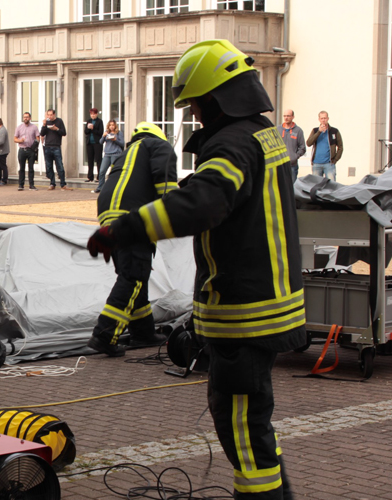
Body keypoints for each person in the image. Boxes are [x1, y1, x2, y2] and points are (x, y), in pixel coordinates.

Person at [87, 39, 303, 500]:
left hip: (245, 313)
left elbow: (204, 202)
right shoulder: (265, 136)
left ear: (218, 97)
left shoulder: (232, 144)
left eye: (199, 105)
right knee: (253, 426)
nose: (197, 116)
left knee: (243, 431)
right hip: (271, 303)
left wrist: (124, 230)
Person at [86, 122, 177, 356]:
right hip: (133, 217)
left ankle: (143, 331)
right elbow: (167, 190)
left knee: (136, 276)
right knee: (133, 276)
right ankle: (105, 334)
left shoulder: (128, 153)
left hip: (109, 216)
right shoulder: (159, 146)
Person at [306, 111, 343, 181]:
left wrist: (335, 160)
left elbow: (340, 147)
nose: (323, 120)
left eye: (325, 118)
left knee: (331, 186)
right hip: (316, 164)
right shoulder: (315, 130)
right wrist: (319, 132)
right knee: (316, 185)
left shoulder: (334, 131)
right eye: (322, 118)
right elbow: (308, 143)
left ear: (328, 118)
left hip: (329, 164)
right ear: (319, 119)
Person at [40, 109, 69, 190]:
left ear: (54, 114)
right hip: (47, 146)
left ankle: (63, 184)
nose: (49, 116)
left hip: (56, 146)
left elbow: (64, 133)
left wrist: (56, 129)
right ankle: (52, 183)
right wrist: (44, 125)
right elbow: (42, 133)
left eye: (51, 115)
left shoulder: (59, 121)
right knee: (49, 166)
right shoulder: (47, 122)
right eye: (48, 115)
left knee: (59, 165)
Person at [94, 119, 125, 194]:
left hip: (116, 154)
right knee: (101, 171)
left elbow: (122, 144)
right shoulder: (106, 132)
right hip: (107, 154)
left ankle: (113, 188)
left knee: (113, 172)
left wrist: (115, 140)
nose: (111, 127)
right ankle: (100, 187)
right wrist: (103, 136)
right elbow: (100, 142)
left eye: (113, 125)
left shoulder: (119, 133)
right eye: (110, 125)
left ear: (115, 126)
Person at [14, 111, 40, 191]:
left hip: (31, 150)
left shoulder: (34, 127)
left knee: (31, 168)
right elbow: (15, 139)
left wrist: (35, 145)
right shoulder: (19, 127)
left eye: (27, 117)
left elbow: (38, 137)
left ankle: (31, 185)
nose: (26, 118)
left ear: (30, 118)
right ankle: (21, 185)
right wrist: (20, 140)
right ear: (23, 118)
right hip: (22, 149)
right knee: (22, 168)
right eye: (24, 117)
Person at [279, 110, 306, 183]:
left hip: (292, 165)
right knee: (280, 187)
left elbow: (302, 147)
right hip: (280, 165)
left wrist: (295, 157)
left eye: (288, 116)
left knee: (292, 187)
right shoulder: (278, 130)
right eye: (284, 116)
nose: (286, 118)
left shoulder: (298, 130)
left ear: (293, 117)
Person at [84, 108, 104, 182]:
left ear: (97, 114)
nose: (92, 115)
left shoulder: (99, 121)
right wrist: (89, 128)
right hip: (89, 143)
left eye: (94, 114)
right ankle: (90, 177)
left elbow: (100, 132)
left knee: (98, 160)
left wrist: (93, 128)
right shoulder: (89, 121)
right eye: (91, 114)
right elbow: (86, 131)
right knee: (90, 159)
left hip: (97, 143)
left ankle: (99, 177)